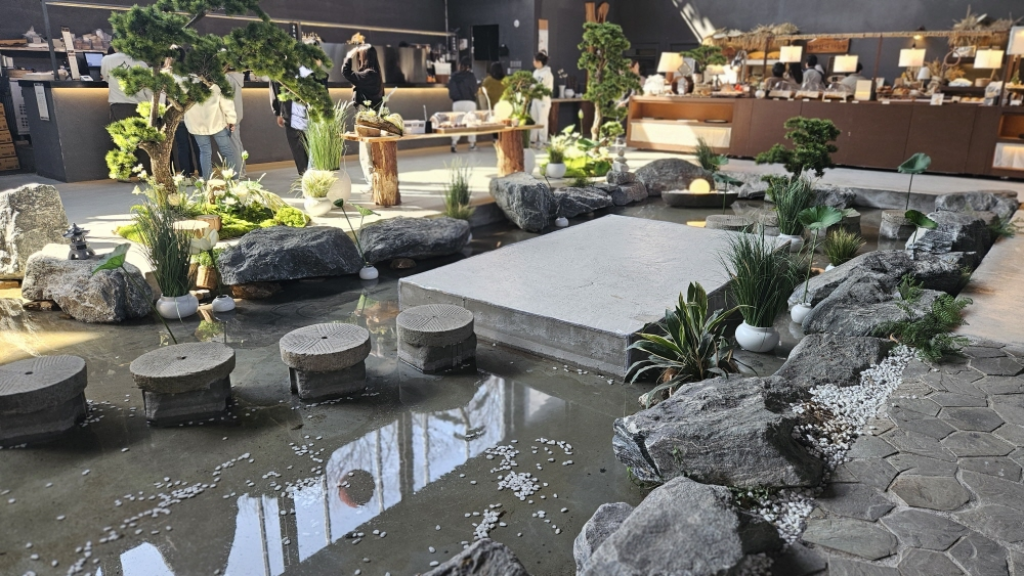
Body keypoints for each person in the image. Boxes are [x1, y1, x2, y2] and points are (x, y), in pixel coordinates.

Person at [100, 46, 152, 179]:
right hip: (140, 106)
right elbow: (148, 89)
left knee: (122, 139)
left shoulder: (108, 60)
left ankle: (124, 173)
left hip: (119, 105)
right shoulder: (142, 64)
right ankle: (144, 172)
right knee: (142, 141)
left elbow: (105, 77)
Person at [342, 44, 385, 187]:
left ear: (364, 58)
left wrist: (349, 56)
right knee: (372, 149)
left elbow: (346, 72)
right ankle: (376, 181)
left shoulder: (368, 74)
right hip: (373, 115)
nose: (358, 58)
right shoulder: (376, 74)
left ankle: (372, 182)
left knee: (366, 151)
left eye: (359, 56)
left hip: (365, 116)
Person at [184, 80, 240, 180]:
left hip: (196, 124)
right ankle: (234, 180)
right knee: (227, 151)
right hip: (217, 122)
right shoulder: (213, 78)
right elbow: (226, 101)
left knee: (204, 152)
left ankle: (208, 182)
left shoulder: (183, 79)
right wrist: (230, 119)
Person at [448, 59, 479, 153]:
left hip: (457, 103)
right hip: (470, 102)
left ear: (459, 65)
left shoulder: (454, 76)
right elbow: (475, 89)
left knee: (457, 123)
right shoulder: (471, 76)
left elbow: (451, 91)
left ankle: (454, 143)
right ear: (469, 67)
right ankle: (472, 144)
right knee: (471, 123)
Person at [530, 51, 554, 147]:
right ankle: (532, 139)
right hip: (535, 99)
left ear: (539, 62)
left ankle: (543, 141)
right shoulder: (535, 72)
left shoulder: (547, 73)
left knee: (542, 120)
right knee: (533, 118)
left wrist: (536, 89)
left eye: (534, 60)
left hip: (543, 100)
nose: (533, 62)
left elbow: (549, 89)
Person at [225, 68, 246, 177]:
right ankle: (241, 169)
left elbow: (226, 100)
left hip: (230, 117)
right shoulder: (237, 78)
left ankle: (237, 171)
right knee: (236, 142)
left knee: (233, 144)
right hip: (236, 115)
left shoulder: (228, 79)